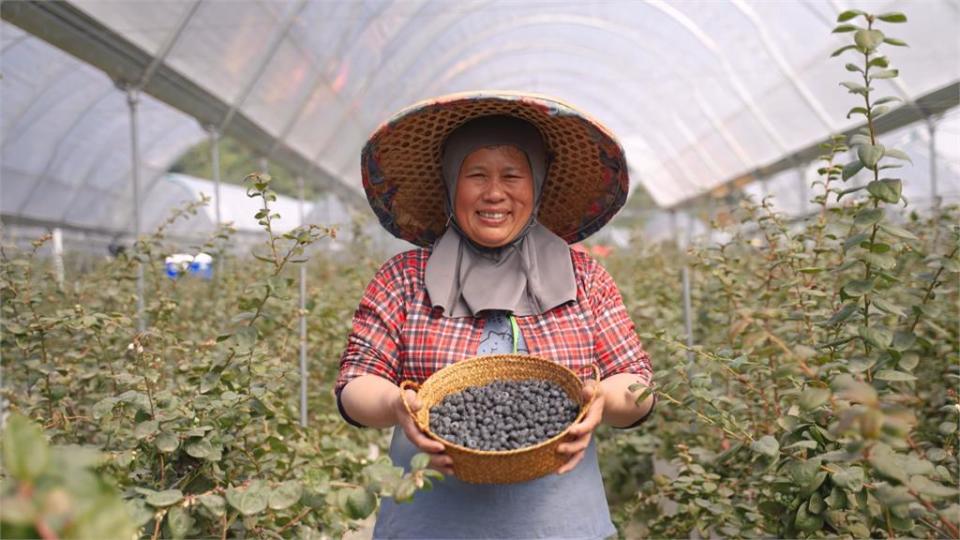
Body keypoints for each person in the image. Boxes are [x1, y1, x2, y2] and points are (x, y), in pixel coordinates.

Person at [335, 92, 655, 539]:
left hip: (560, 526)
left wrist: (604, 400)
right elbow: (356, 383)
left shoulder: (584, 279)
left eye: (512, 175)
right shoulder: (405, 279)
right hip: (430, 525)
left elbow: (636, 383)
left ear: (536, 184)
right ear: (452, 183)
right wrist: (396, 404)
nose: (494, 193)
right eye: (476, 175)